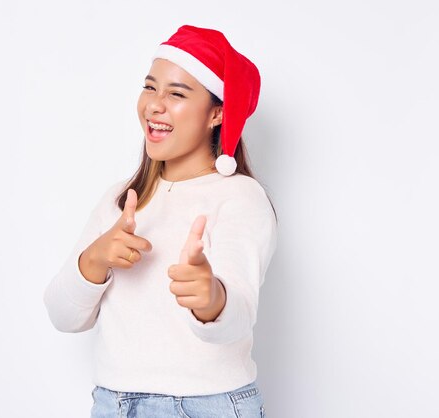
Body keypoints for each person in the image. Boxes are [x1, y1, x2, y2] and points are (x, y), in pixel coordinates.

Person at [43, 24, 278, 417]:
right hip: (114, 404)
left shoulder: (240, 197)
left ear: (216, 113)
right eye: (150, 87)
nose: (154, 104)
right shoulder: (121, 199)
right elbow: (63, 316)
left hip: (209, 406)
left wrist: (211, 297)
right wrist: (94, 260)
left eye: (177, 93)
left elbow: (237, 317)